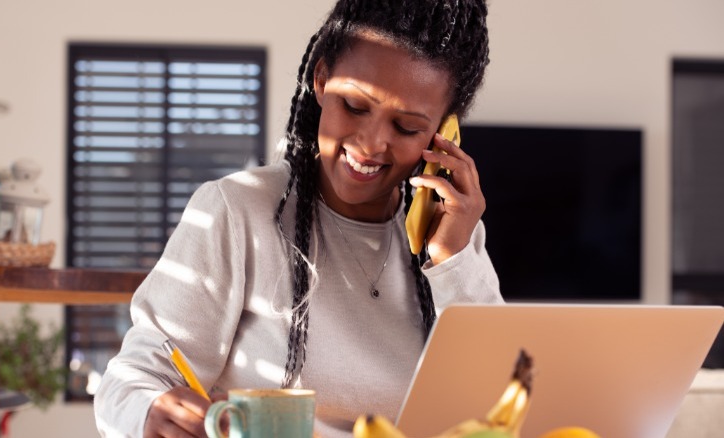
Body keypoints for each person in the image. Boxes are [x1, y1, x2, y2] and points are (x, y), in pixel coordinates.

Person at [94, 0, 502, 436]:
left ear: (443, 132)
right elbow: (133, 379)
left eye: (406, 127)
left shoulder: (449, 238)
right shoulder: (236, 211)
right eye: (355, 106)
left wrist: (452, 261)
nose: (371, 143)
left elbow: (500, 400)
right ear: (322, 80)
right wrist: (149, 411)